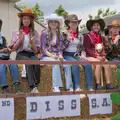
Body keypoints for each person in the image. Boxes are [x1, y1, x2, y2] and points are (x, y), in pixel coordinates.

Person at [40, 13, 73, 92]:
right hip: (46, 56)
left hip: (57, 56)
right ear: (49, 23)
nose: (53, 23)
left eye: (55, 22)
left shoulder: (60, 35)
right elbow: (43, 49)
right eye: (51, 22)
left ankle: (69, 87)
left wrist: (61, 55)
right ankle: (56, 86)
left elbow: (61, 49)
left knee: (67, 65)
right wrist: (52, 56)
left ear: (58, 23)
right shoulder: (44, 33)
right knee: (56, 63)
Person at [11, 9, 40, 93]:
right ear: (21, 20)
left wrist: (32, 43)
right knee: (29, 62)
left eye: (28, 18)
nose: (26, 20)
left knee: (37, 62)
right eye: (24, 18)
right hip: (21, 53)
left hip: (31, 53)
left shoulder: (35, 33)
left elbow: (36, 51)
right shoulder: (16, 32)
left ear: (31, 20)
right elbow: (12, 49)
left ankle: (36, 83)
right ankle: (33, 87)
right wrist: (20, 40)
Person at [63, 14, 93, 91]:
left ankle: (90, 87)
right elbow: (61, 48)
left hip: (76, 54)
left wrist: (83, 54)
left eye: (76, 22)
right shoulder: (64, 33)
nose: (74, 24)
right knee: (74, 63)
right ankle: (77, 87)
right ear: (68, 24)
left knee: (87, 64)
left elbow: (82, 47)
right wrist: (67, 40)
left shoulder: (80, 35)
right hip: (66, 54)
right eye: (72, 22)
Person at [84, 18, 114, 90]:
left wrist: (103, 55)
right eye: (94, 25)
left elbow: (104, 49)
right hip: (90, 56)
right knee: (98, 63)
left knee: (107, 63)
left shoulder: (101, 37)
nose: (96, 27)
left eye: (97, 25)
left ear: (100, 27)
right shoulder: (87, 36)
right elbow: (87, 49)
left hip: (100, 56)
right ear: (91, 27)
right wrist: (97, 56)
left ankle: (108, 84)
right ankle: (98, 85)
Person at [0, 19, 22, 94]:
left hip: (4, 57)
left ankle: (16, 85)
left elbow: (5, 48)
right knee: (1, 66)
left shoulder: (2, 38)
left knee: (13, 63)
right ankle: (5, 88)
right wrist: (2, 51)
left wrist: (8, 49)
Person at [104, 20, 120, 85]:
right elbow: (108, 50)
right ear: (111, 29)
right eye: (114, 28)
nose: (115, 30)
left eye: (117, 28)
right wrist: (115, 42)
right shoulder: (107, 38)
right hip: (112, 58)